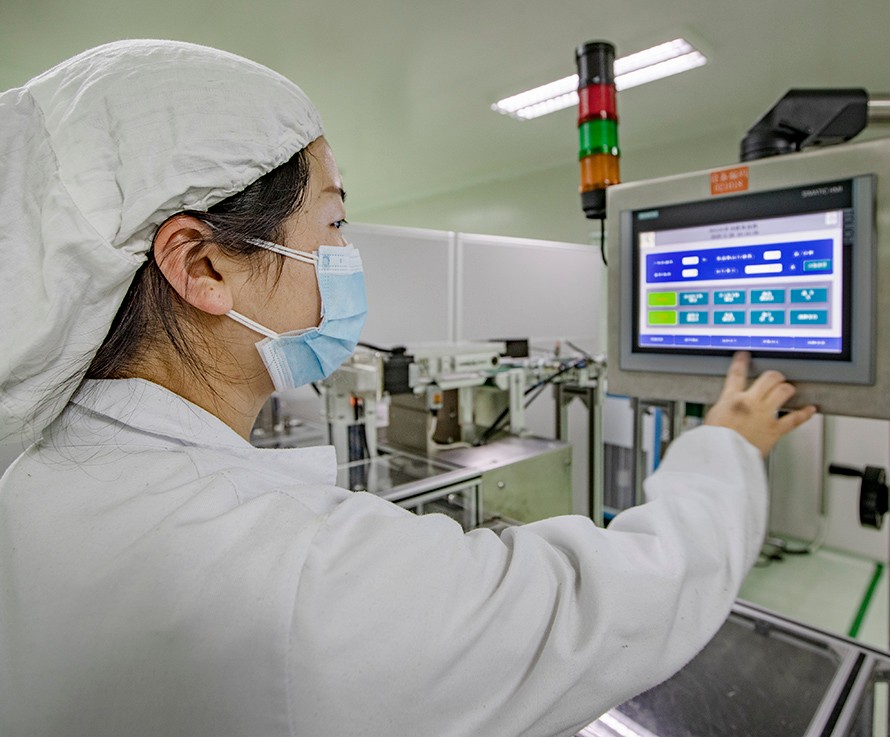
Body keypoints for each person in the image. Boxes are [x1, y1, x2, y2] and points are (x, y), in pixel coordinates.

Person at [0, 40, 815, 736]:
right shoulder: (303, 576)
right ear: (204, 266)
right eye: (332, 223)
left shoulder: (29, 476)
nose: (344, 255)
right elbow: (606, 607)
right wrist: (726, 447)